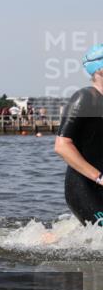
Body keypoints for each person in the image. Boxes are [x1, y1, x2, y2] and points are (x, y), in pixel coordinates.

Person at [54, 44, 103, 226]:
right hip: (84, 186)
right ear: (99, 69)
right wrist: (99, 177)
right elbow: (62, 145)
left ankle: (56, 239)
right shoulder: (84, 98)